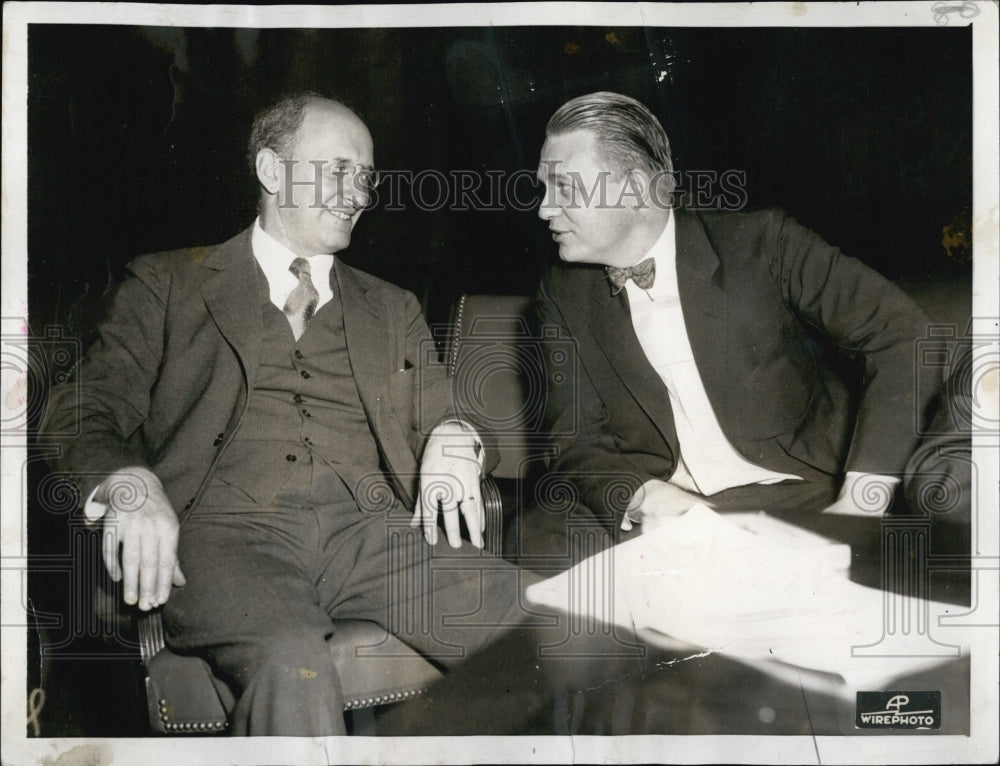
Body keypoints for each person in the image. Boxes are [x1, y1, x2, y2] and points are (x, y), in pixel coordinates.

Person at [40, 92, 537, 736]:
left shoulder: (392, 307)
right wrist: (129, 487)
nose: (358, 193)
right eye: (338, 170)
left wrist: (455, 434)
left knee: (547, 624)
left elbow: (450, 420)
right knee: (291, 658)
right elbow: (82, 409)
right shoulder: (168, 284)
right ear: (272, 172)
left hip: (374, 536)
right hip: (224, 541)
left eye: (366, 177)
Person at [533, 91, 955, 540]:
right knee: (539, 545)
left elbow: (901, 333)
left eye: (566, 189)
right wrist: (644, 495)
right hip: (659, 511)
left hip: (799, 493)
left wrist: (863, 498)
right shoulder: (562, 294)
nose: (543, 208)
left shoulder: (762, 244)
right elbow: (575, 441)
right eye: (542, 187)